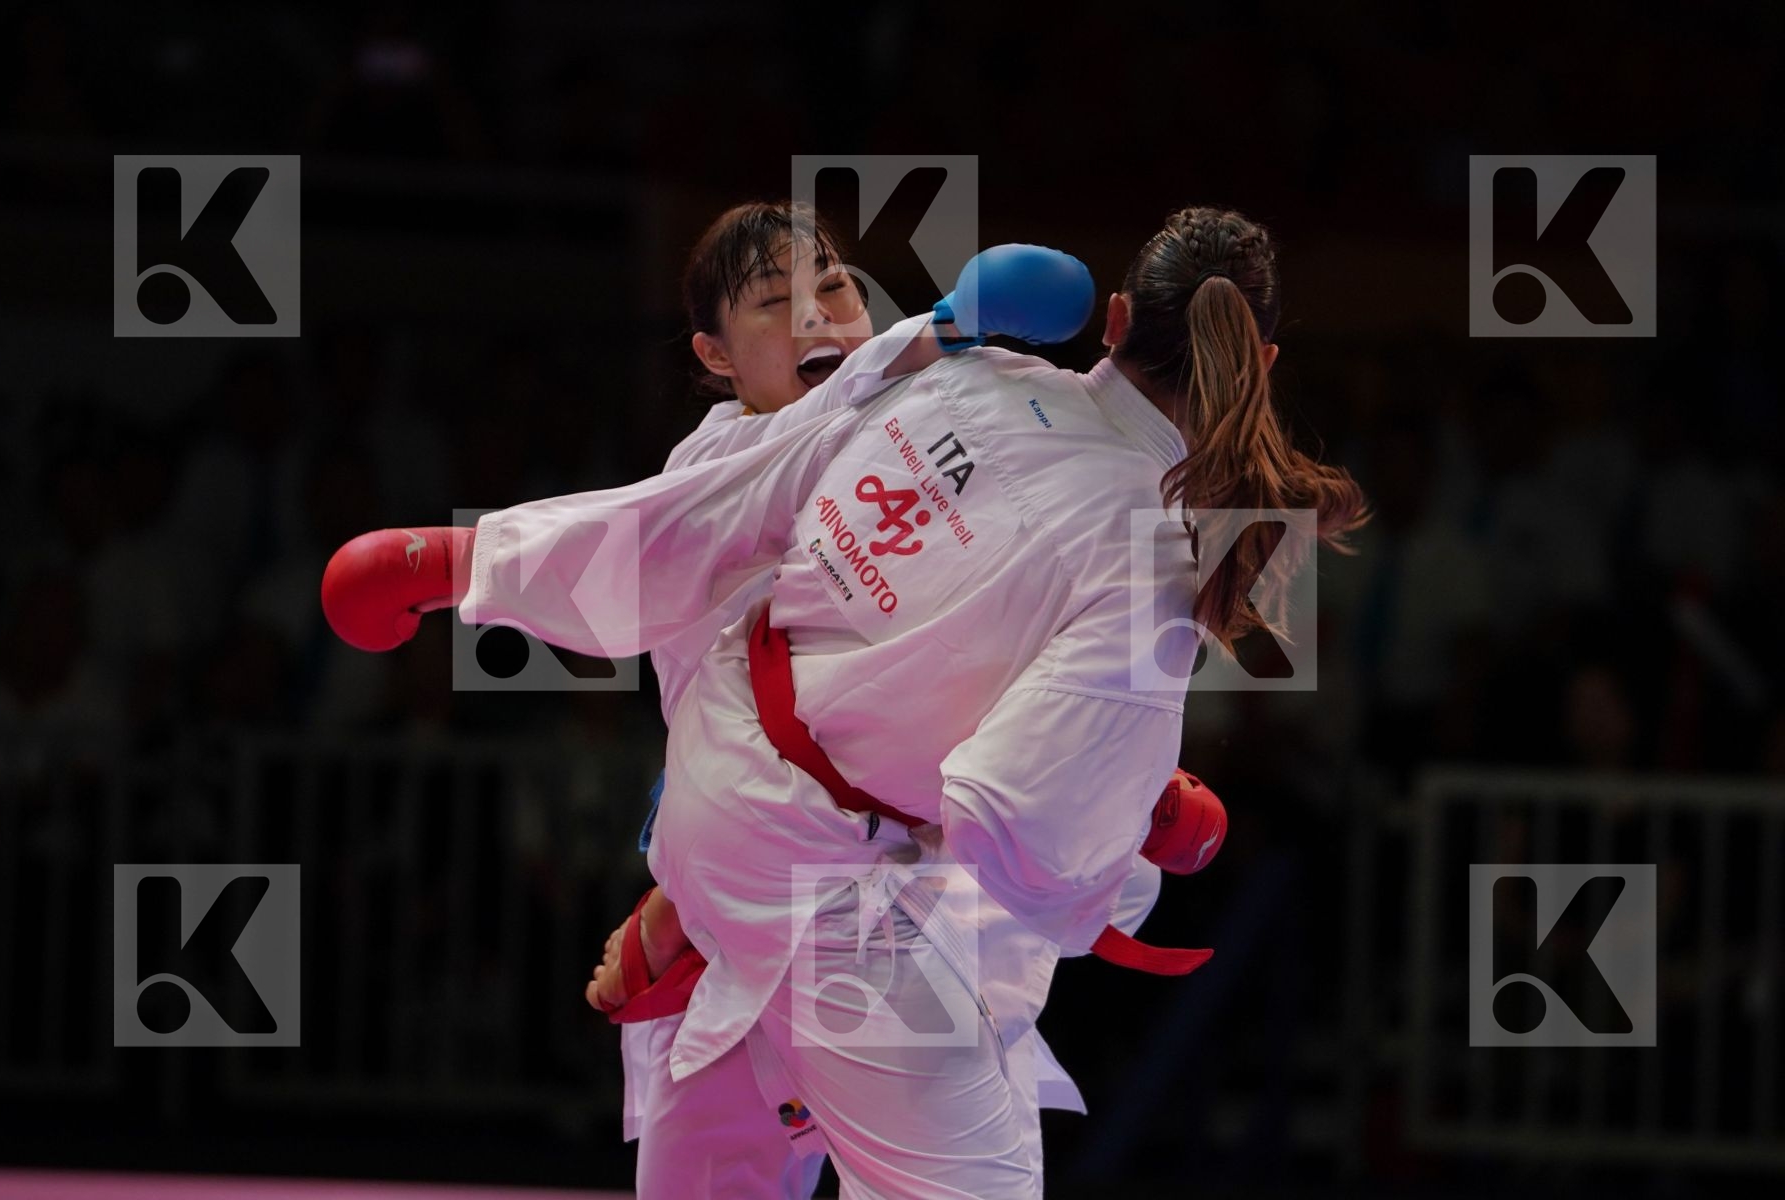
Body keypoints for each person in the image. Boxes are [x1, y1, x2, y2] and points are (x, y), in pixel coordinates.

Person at [326, 206, 1366, 1197]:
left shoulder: (967, 377)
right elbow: (1013, 820)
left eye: (827, 287)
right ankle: (721, 926)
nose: (819, 316)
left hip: (724, 793)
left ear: (1118, 319)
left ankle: (711, 921)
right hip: (841, 897)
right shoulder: (1160, 557)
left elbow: (720, 516)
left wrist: (474, 561)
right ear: (1263, 364)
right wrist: (1131, 833)